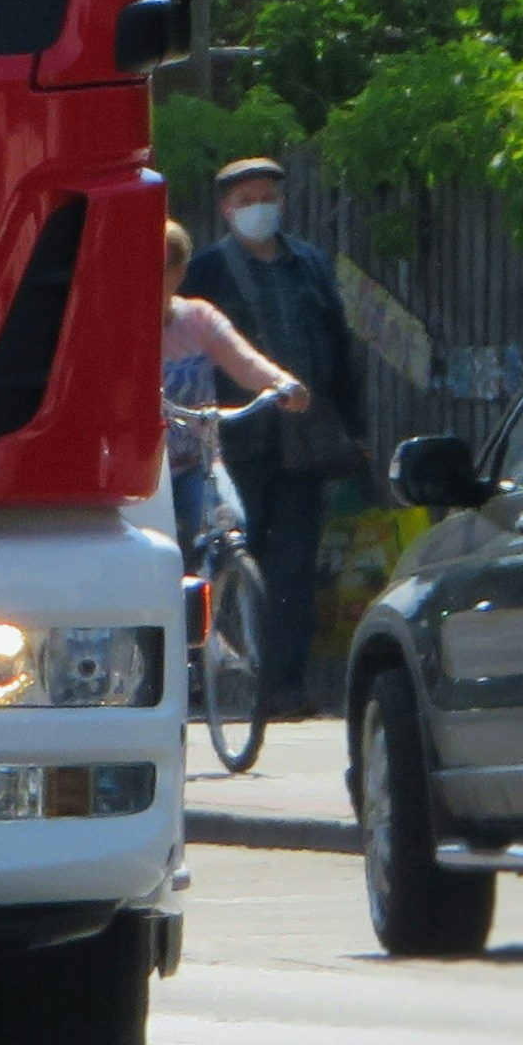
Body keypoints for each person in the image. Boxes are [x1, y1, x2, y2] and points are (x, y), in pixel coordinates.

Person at [179, 156, 365, 717]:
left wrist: (354, 427)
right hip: (232, 442)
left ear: (282, 202)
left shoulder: (308, 264)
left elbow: (339, 345)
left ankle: (283, 687)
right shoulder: (207, 272)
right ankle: (210, 677)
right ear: (226, 210)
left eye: (268, 196)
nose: (260, 208)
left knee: (293, 566)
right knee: (222, 558)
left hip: (300, 441)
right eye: (246, 199)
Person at [159, 216, 305, 564]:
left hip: (199, 461)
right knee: (158, 553)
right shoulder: (118, 325)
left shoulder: (198, 319)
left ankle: (225, 607)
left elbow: (245, 362)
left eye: (162, 267)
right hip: (147, 472)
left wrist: (283, 384)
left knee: (229, 528)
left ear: (179, 273)